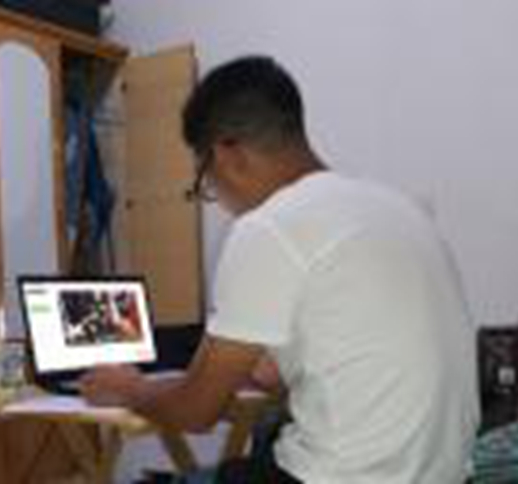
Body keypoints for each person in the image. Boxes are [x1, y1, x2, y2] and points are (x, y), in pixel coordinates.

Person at [81, 55, 480, 483]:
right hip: (448, 475)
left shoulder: (270, 226)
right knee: (264, 437)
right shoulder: (399, 208)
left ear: (226, 154)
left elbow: (196, 411)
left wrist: (130, 389)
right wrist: (288, 372)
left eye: (206, 182)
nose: (219, 199)